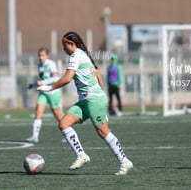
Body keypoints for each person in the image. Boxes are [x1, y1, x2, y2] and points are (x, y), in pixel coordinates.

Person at [37, 31, 133, 175]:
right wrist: (100, 88)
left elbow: (68, 78)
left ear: (71, 44)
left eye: (64, 46)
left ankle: (125, 161)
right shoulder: (82, 54)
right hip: (86, 101)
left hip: (94, 100)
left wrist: (50, 87)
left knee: (103, 132)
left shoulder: (76, 56)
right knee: (63, 124)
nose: (64, 49)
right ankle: (81, 155)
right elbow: (97, 72)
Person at [26, 47, 62, 143]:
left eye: (43, 55)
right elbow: (42, 80)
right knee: (38, 112)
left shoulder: (51, 64)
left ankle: (68, 133)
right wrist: (33, 85)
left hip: (53, 92)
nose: (41, 57)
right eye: (39, 55)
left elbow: (55, 79)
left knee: (58, 115)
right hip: (43, 92)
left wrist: (43, 82)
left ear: (47, 55)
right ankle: (35, 136)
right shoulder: (39, 65)